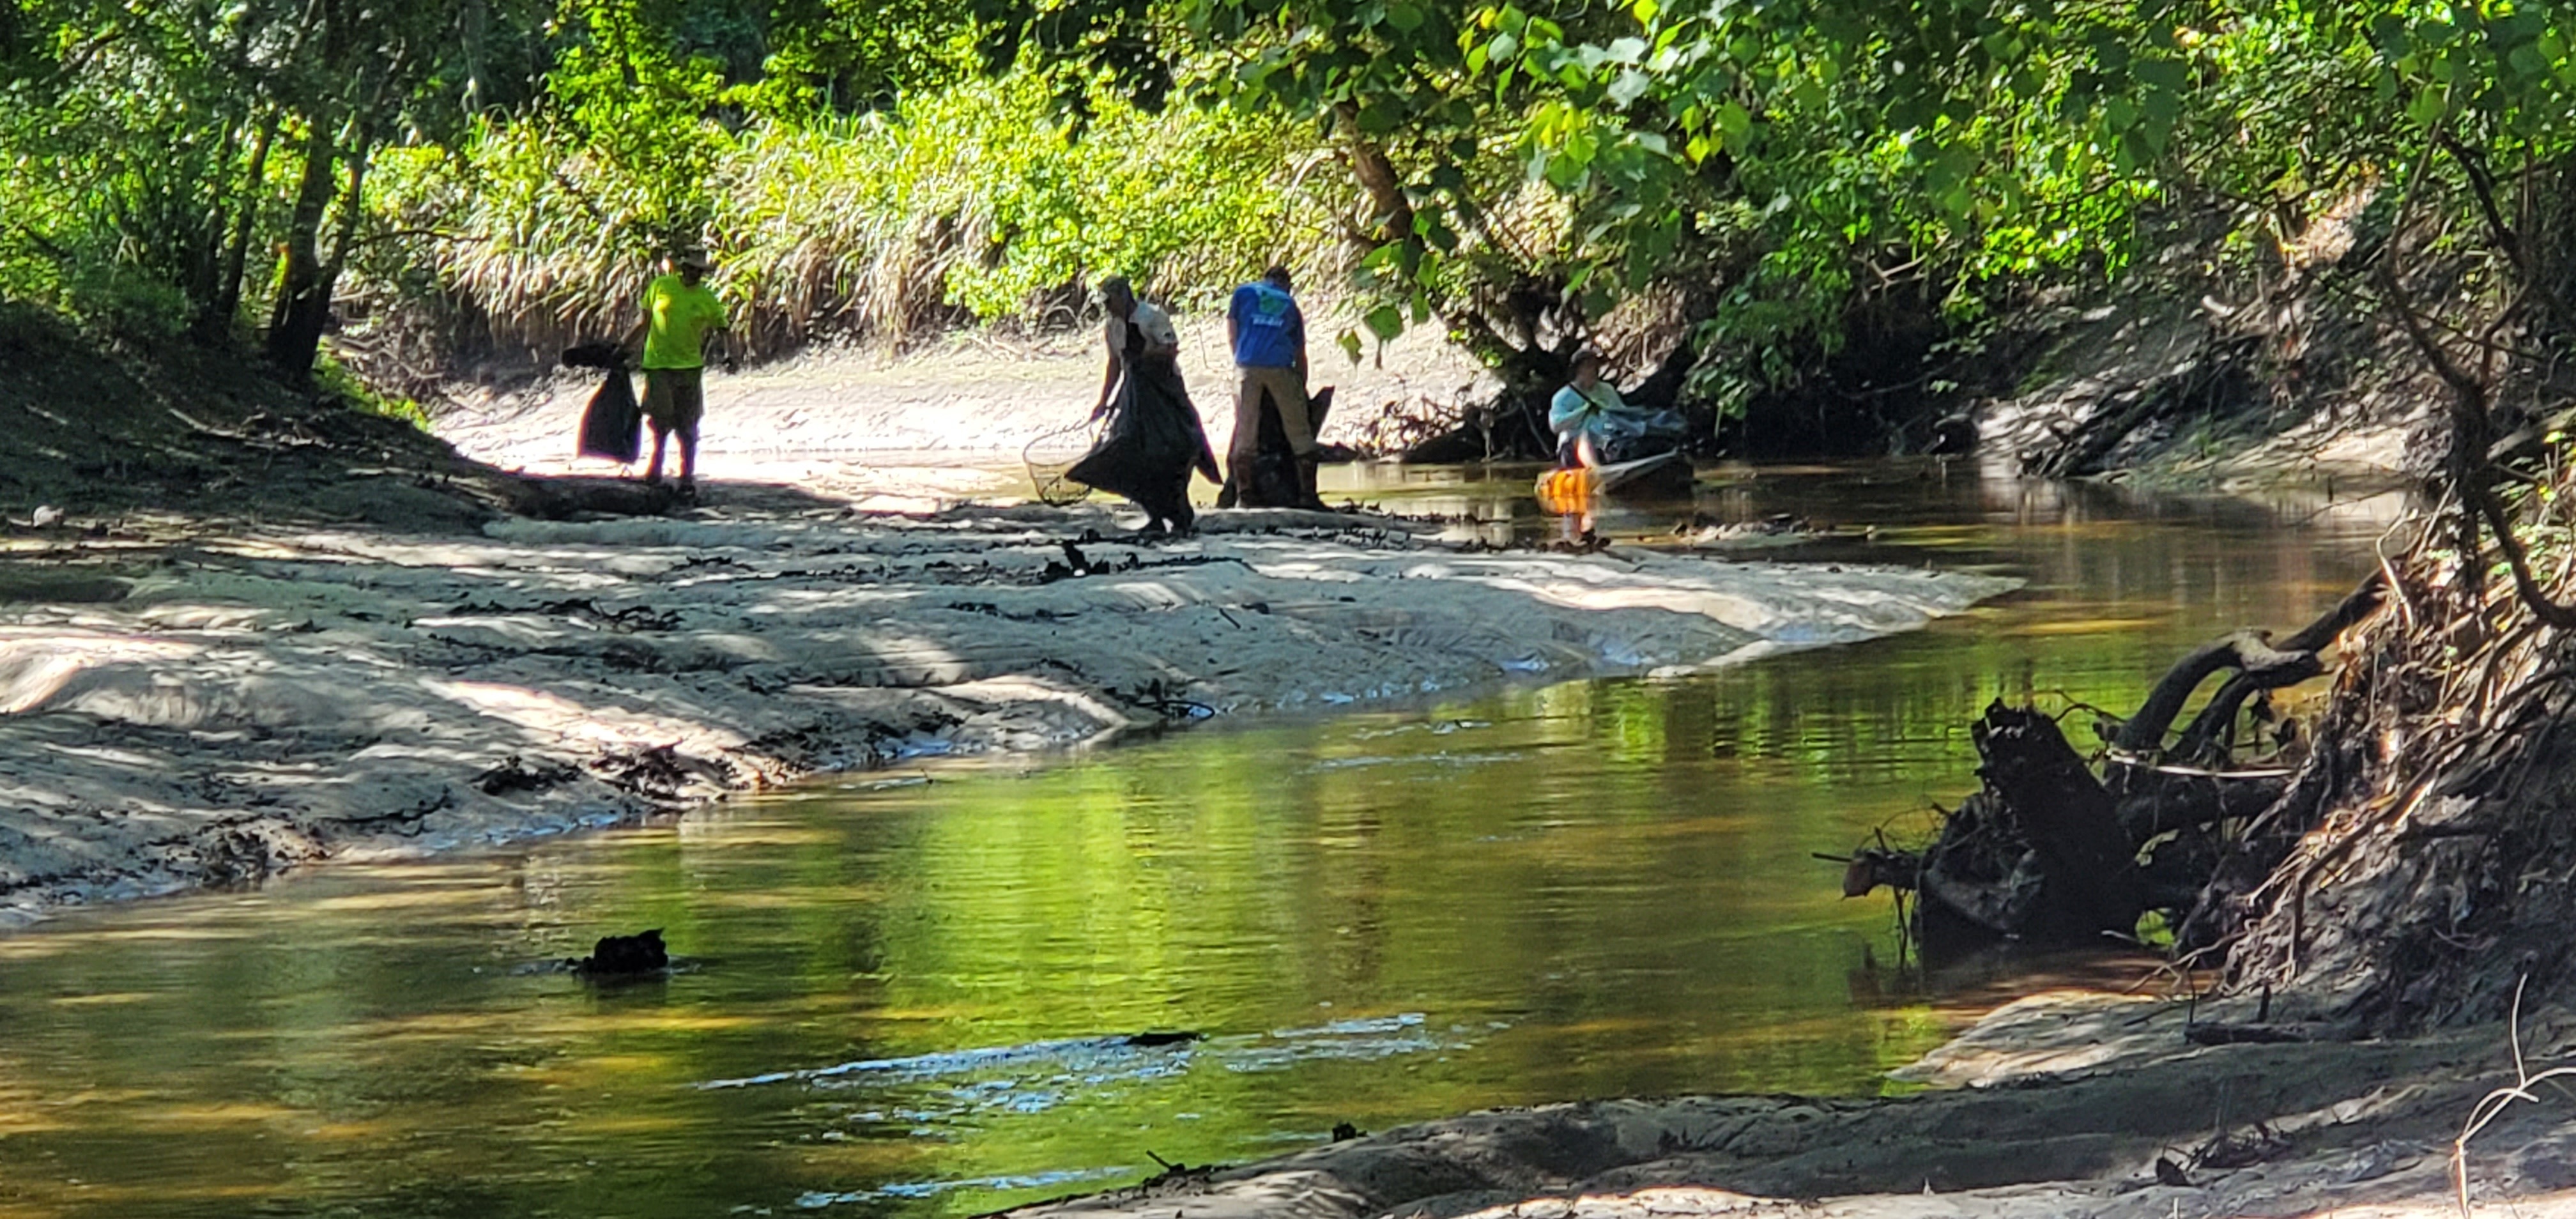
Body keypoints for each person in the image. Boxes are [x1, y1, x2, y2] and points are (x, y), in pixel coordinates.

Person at [1066, 277, 1221, 534]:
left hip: (1164, 393)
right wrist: (1103, 402)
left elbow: (1170, 349)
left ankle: (1180, 515)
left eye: (1110, 302)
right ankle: (1155, 516)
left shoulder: (1152, 317)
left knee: (1174, 449)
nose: (1108, 308)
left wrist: (1144, 356)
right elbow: (1115, 365)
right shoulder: (1112, 327)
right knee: (1129, 452)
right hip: (1135, 398)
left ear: (1124, 296)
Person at [620, 247, 732, 496]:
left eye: (699, 271)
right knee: (660, 421)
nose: (695, 274)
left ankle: (687, 476)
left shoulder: (706, 298)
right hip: (659, 365)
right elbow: (645, 321)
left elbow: (723, 328)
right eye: (691, 269)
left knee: (688, 425)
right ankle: (655, 469)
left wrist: (729, 354)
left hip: (690, 367)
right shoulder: (661, 286)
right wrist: (624, 347)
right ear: (682, 268)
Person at [1223, 266, 1325, 510]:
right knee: (1299, 434)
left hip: (1247, 366)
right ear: (1286, 284)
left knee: (1245, 433)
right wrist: (1300, 387)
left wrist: (1240, 359)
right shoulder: (1290, 305)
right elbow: (1300, 354)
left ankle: (1244, 496)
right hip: (1280, 366)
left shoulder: (1243, 293)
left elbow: (1232, 329)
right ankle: (1308, 496)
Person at [1549, 347, 1686, 468]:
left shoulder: (1607, 390)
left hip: (1606, 440)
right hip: (1573, 447)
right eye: (1589, 366)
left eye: (1596, 365)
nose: (1595, 370)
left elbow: (1620, 416)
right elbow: (1556, 426)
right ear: (1579, 369)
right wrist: (1584, 410)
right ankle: (1596, 471)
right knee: (1586, 438)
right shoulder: (1563, 396)